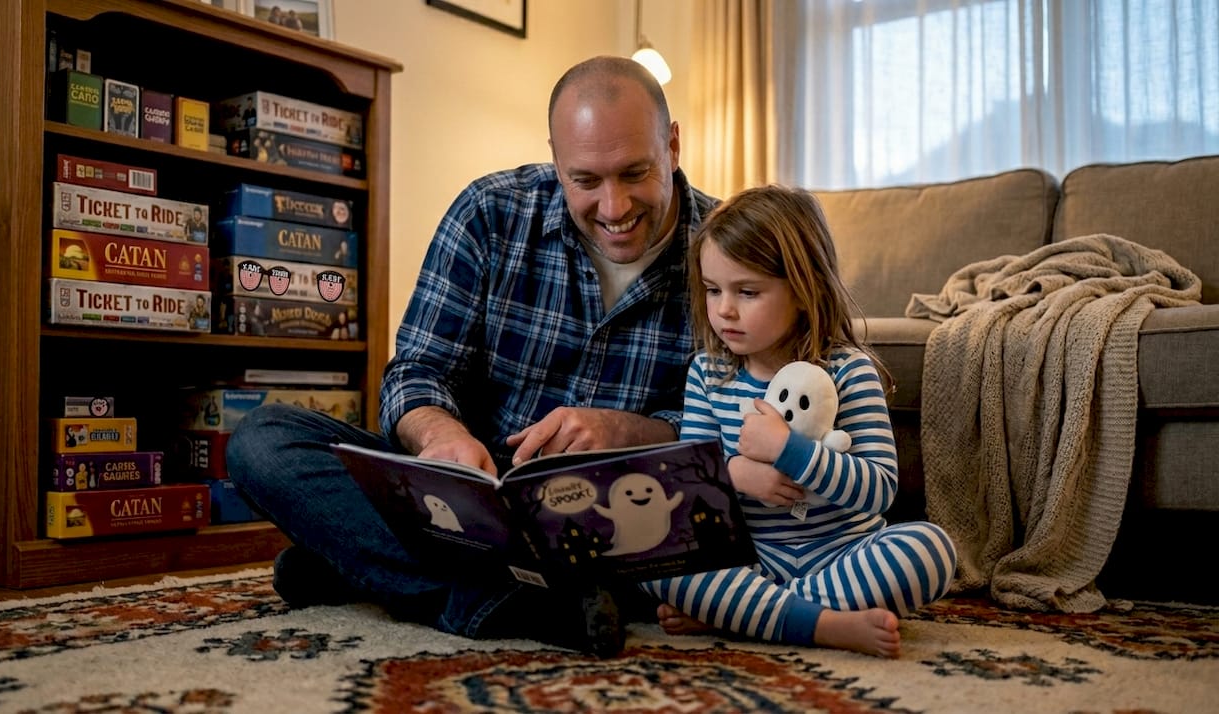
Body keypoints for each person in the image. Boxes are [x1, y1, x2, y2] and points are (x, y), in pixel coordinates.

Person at [225, 55, 720, 658]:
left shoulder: (731, 252)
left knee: (713, 550)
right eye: (585, 181)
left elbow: (741, 432)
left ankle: (376, 569)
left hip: (620, 523)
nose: (613, 208)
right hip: (471, 512)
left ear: (672, 146)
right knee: (261, 440)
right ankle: (498, 595)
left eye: (635, 172)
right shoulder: (490, 213)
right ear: (555, 159)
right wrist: (441, 440)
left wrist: (628, 430)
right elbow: (416, 372)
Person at [637, 185, 957, 658]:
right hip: (750, 562)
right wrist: (734, 474)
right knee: (650, 553)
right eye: (712, 290)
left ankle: (745, 616)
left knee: (931, 549)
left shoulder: (850, 371)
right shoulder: (708, 373)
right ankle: (824, 625)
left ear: (805, 291)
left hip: (843, 555)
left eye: (747, 292)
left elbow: (879, 488)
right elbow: (692, 490)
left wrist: (790, 450)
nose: (724, 309)